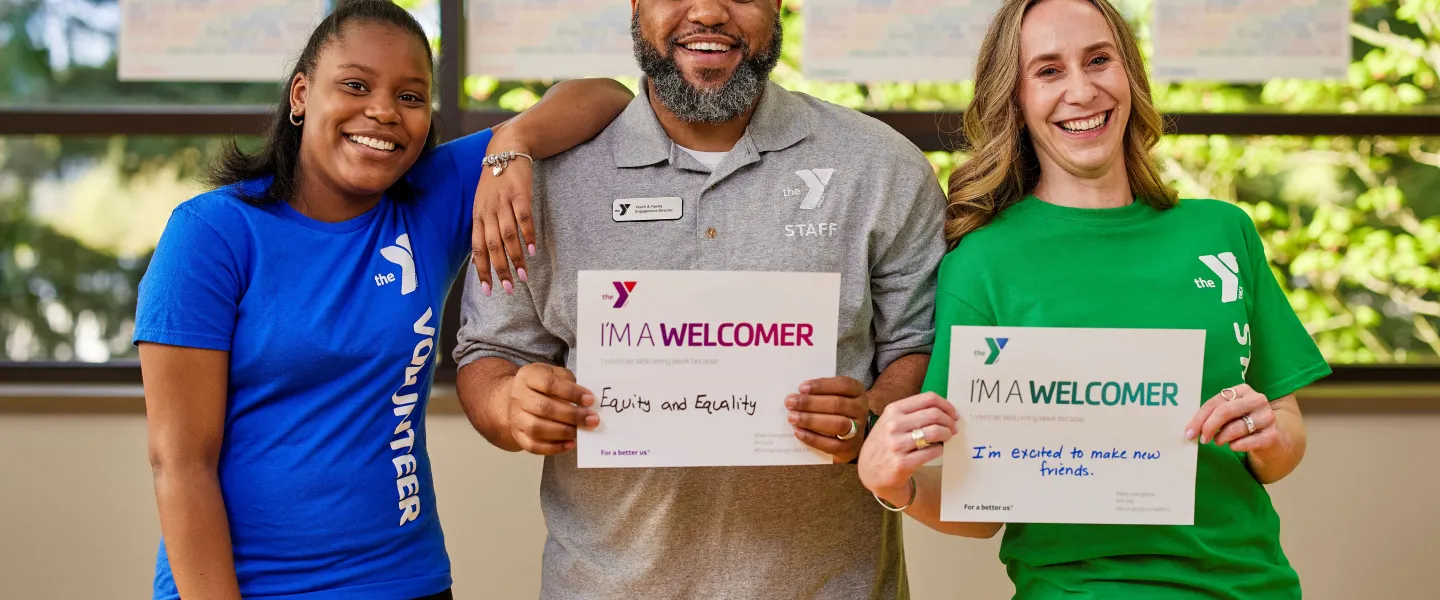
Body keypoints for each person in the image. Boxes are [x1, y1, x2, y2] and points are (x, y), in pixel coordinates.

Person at [132, 1, 633, 598]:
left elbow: (608, 96)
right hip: (252, 586)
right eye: (355, 84)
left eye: (411, 96)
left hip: (406, 580)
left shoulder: (430, 200)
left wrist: (513, 142)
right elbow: (180, 464)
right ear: (300, 95)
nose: (383, 111)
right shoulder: (212, 234)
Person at [450, 0, 946, 597]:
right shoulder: (545, 177)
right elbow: (488, 351)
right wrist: (510, 404)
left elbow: (920, 344)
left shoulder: (881, 165)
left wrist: (871, 415)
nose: (708, 11)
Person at [856, 0, 1333, 598]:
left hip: (1251, 588)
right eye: (1049, 70)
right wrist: (891, 484)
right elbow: (979, 509)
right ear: (1016, 99)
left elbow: (1282, 442)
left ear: (1129, 75)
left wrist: (1271, 434)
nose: (1081, 90)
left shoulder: (1222, 233)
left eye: (1099, 60)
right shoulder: (983, 263)